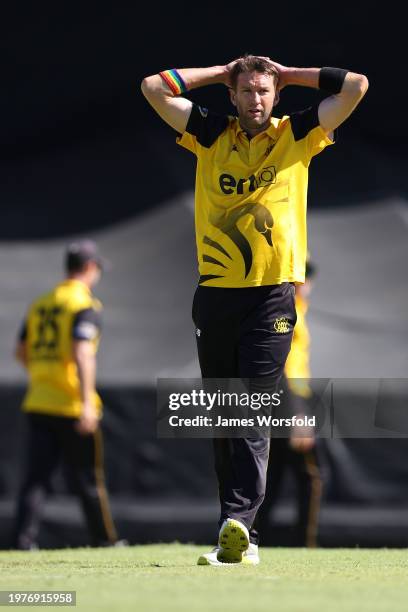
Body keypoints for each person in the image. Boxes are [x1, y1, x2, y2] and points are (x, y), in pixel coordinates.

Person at [142, 55, 368, 565]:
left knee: (252, 406)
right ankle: (239, 531)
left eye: (265, 91)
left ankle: (239, 521)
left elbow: (356, 86)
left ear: (276, 95)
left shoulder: (297, 133)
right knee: (225, 412)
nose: (256, 99)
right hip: (216, 294)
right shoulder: (210, 133)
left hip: (271, 297)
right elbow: (154, 88)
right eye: (247, 91)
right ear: (233, 95)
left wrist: (290, 73)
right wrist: (220, 71)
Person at [13, 240, 120, 549]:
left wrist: (43, 375)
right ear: (89, 268)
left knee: (36, 479)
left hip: (39, 400)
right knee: (88, 479)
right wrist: (87, 404)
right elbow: (83, 353)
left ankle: (22, 541)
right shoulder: (83, 304)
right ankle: (104, 540)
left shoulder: (42, 303)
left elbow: (21, 350)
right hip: (73, 403)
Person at [257, 260, 323, 548]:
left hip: (291, 398)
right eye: (303, 277)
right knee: (310, 475)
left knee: (273, 475)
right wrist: (296, 413)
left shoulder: (298, 308)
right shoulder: (285, 310)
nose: (307, 284)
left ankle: (253, 538)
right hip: (287, 400)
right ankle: (304, 543)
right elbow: (279, 363)